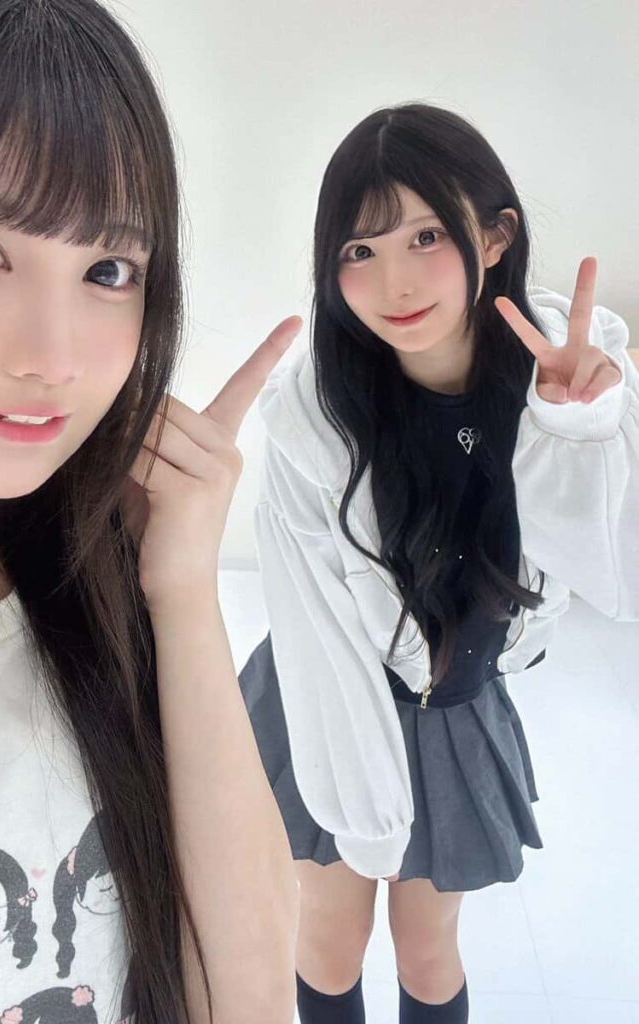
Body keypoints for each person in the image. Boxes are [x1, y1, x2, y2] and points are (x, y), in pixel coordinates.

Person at [0, 1, 302, 1021]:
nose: (53, 356)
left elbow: (248, 998)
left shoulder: (103, 581)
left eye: (109, 270)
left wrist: (183, 593)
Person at [238, 102, 639, 1024]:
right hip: (328, 701)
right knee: (329, 939)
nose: (396, 281)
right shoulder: (311, 416)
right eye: (360, 249)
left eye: (426, 235)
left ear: (495, 237)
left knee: (428, 952)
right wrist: (364, 811)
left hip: (452, 705)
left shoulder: (567, 377)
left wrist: (578, 434)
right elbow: (312, 620)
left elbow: (614, 577)